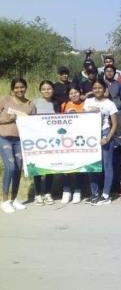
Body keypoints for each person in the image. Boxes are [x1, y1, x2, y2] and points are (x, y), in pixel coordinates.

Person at [0, 78, 36, 213]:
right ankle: (4, 201)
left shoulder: (30, 105)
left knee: (19, 167)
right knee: (10, 167)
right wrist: (7, 118)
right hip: (4, 138)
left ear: (26, 88)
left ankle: (14, 199)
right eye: (16, 87)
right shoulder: (5, 100)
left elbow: (34, 124)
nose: (19, 90)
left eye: (22, 87)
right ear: (12, 89)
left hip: (20, 140)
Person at [84, 79, 119, 205]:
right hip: (90, 137)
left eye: (100, 87)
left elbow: (114, 124)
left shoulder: (110, 104)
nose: (97, 90)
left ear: (104, 89)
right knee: (92, 165)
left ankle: (105, 195)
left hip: (104, 135)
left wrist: (108, 138)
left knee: (107, 166)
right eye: (95, 88)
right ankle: (94, 193)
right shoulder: (87, 102)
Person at [32, 81, 60, 206]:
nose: (47, 91)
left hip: (52, 140)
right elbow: (28, 120)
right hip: (37, 140)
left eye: (49, 89)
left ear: (53, 90)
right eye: (44, 89)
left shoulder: (56, 103)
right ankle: (38, 194)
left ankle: (48, 193)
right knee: (38, 167)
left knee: (50, 166)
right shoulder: (35, 103)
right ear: (40, 90)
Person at [60, 87, 85, 204]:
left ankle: (77, 191)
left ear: (80, 93)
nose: (74, 95)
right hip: (67, 140)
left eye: (76, 92)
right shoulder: (65, 105)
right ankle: (66, 190)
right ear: (68, 95)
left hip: (81, 140)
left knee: (79, 166)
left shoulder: (86, 104)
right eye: (71, 93)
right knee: (66, 166)